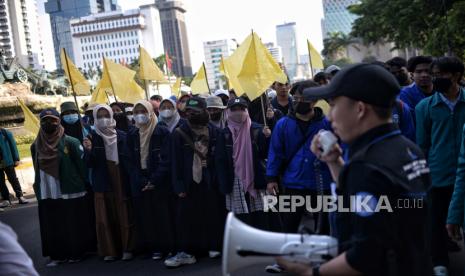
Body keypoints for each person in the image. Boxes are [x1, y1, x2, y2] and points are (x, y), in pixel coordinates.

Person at [278, 63, 431, 275]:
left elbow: (365, 257)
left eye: (333, 105)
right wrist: (334, 162)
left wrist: (311, 273)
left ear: (360, 109)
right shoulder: (408, 149)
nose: (330, 116)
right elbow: (381, 205)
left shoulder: (367, 165)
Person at [265, 80, 333, 273]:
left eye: (303, 98)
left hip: (323, 182)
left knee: (324, 223)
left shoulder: (327, 123)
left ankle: (323, 259)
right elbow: (275, 152)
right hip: (294, 182)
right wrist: (271, 179)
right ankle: (283, 260)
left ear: (314, 101)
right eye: (295, 98)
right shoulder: (283, 124)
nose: (297, 101)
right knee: (290, 222)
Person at [416, 56, 465, 276]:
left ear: (456, 76)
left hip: (462, 176)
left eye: (440, 75)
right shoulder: (424, 107)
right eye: (433, 75)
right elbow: (422, 144)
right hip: (438, 174)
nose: (435, 79)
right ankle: (439, 263)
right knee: (435, 222)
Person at [32, 109, 96, 266]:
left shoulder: (71, 142)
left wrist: (83, 183)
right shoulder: (36, 145)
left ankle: (77, 252)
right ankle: (57, 255)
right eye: (45, 120)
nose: (49, 124)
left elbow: (82, 167)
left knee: (72, 222)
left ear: (59, 121)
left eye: (53, 120)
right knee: (53, 223)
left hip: (70, 190)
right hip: (48, 191)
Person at [165, 96, 217, 268]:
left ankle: (211, 246)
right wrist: (178, 185)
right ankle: (186, 252)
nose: (191, 114)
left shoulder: (212, 130)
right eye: (188, 112)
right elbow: (175, 162)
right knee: (186, 218)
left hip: (208, 181)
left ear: (204, 111)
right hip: (188, 183)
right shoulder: (179, 133)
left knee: (209, 214)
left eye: (195, 111)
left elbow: (219, 156)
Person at [83, 104, 135, 262]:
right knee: (106, 215)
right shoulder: (91, 137)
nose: (104, 119)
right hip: (102, 180)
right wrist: (88, 150)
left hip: (120, 177)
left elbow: (129, 160)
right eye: (100, 116)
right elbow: (89, 164)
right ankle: (111, 250)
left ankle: (128, 248)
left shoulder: (121, 135)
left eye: (107, 115)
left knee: (124, 213)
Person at [126, 100, 175, 260]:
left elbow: (167, 160)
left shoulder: (161, 131)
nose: (140, 115)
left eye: (143, 111)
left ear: (150, 112)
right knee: (146, 216)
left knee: (162, 215)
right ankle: (154, 247)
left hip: (159, 181)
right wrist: (141, 181)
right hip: (141, 181)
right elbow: (130, 161)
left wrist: (153, 180)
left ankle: (167, 247)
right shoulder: (132, 134)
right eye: (137, 112)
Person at [216, 97, 271, 228]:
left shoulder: (258, 129)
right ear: (228, 112)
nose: (238, 112)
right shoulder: (224, 134)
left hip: (256, 178)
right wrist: (224, 184)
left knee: (260, 215)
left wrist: (267, 137)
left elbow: (266, 154)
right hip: (234, 179)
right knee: (241, 217)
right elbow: (221, 161)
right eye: (234, 110)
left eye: (242, 109)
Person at [0, 127, 27, 207]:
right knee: (0, 182)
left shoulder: (5, 133)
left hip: (8, 161)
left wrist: (16, 159)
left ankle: (20, 196)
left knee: (13, 179)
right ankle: (6, 199)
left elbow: (13, 146)